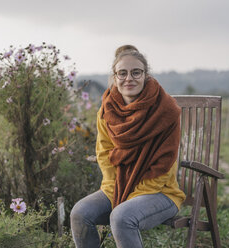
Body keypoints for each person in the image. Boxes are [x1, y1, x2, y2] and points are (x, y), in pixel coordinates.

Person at [70, 45, 186, 248]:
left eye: (136, 72)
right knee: (80, 213)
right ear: (114, 77)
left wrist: (129, 197)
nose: (129, 78)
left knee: (121, 217)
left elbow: (165, 164)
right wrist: (116, 190)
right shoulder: (107, 110)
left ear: (146, 75)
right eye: (122, 73)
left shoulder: (166, 111)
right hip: (117, 187)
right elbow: (104, 154)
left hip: (159, 192)